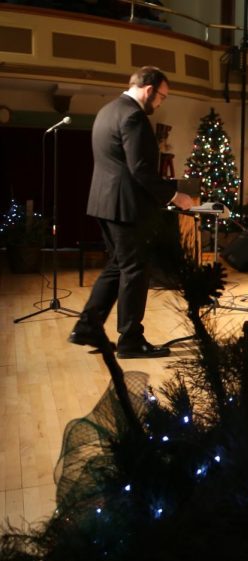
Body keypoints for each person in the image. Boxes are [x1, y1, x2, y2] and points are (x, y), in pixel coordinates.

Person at [68, 66, 194, 358]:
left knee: (118, 266)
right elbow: (140, 169)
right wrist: (175, 196)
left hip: (103, 203)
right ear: (149, 90)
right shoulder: (134, 117)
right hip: (126, 207)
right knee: (136, 271)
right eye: (162, 96)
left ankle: (87, 327)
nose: (161, 102)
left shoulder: (107, 111)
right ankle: (130, 341)